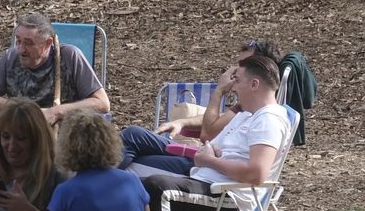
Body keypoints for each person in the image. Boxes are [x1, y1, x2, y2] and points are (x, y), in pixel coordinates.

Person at [128, 55, 292, 211]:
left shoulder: (268, 120)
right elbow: (210, 138)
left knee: (153, 187)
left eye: (237, 81)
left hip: (227, 197)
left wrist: (210, 160)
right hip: (207, 180)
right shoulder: (248, 114)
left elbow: (256, 174)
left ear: (254, 85)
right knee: (129, 186)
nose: (234, 88)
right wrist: (208, 154)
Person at [120, 39, 281, 170]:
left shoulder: (262, 113)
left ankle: (100, 187)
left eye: (242, 64)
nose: (235, 69)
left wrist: (219, 91)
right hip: (203, 157)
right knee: (134, 136)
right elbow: (221, 121)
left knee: (135, 150)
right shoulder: (249, 106)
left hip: (205, 167)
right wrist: (182, 122)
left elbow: (208, 134)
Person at [0, 13, 109, 122]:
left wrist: (56, 112)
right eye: (18, 41)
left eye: (28, 43)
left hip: (64, 138)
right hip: (20, 137)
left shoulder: (69, 57)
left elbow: (102, 103)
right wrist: (22, 110)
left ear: (48, 43)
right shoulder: (11, 56)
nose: (21, 49)